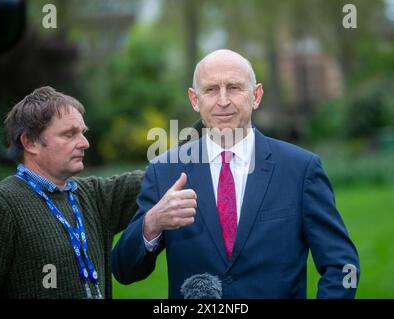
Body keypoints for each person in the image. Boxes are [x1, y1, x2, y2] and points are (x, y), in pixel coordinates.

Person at [111, 49, 360, 299]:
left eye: (233, 87)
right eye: (210, 90)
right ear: (195, 99)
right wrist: (151, 223)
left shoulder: (300, 169)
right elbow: (124, 271)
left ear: (256, 95)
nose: (222, 101)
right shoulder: (165, 171)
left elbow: (342, 266)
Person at [0, 86, 143, 299]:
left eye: (82, 133)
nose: (84, 143)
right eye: (69, 134)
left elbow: (161, 173)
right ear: (30, 142)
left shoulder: (92, 195)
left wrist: (200, 117)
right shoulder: (1, 204)